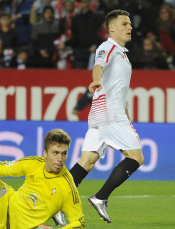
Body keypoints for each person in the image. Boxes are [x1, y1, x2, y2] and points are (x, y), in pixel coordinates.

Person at [55, 9, 144, 225]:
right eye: (125, 24)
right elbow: (98, 67)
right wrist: (95, 80)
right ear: (111, 28)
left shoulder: (121, 52)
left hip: (104, 114)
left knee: (86, 163)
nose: (130, 27)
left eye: (130, 24)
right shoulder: (108, 46)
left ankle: (56, 205)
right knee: (136, 157)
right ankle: (100, 197)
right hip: (109, 115)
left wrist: (126, 113)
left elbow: (118, 88)